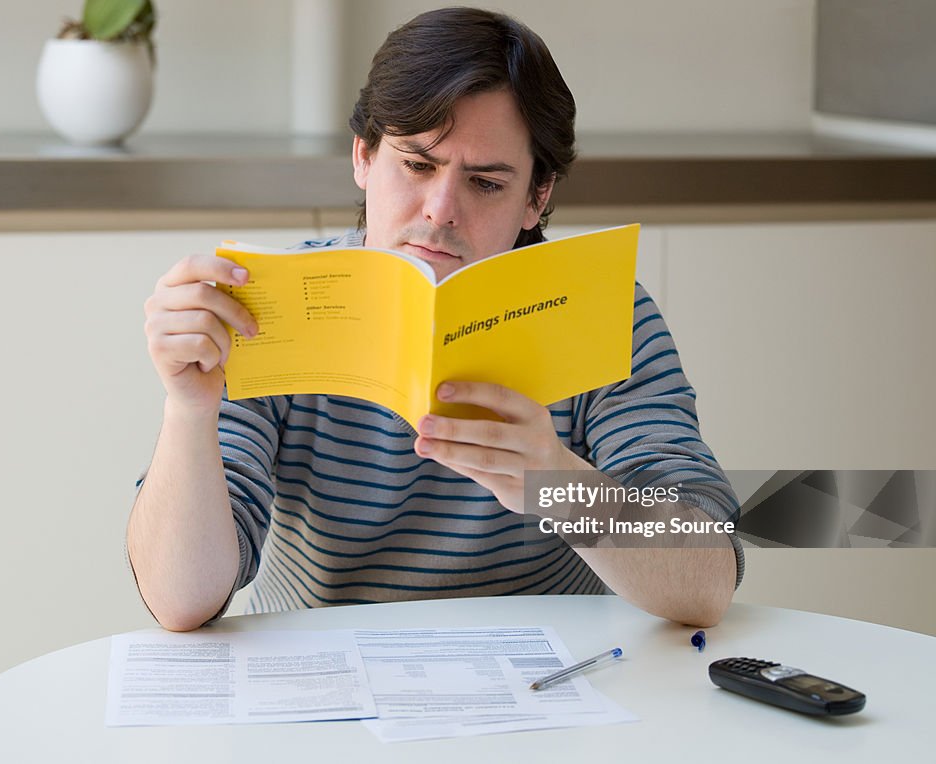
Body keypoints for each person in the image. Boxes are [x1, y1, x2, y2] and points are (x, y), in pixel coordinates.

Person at [127, 7, 744, 633]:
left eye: (485, 183)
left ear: (538, 196)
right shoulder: (270, 307)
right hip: (323, 680)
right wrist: (189, 409)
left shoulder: (605, 310)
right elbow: (182, 601)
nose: (442, 210)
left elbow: (706, 581)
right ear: (364, 157)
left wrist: (555, 484)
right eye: (418, 166)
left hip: (543, 684)